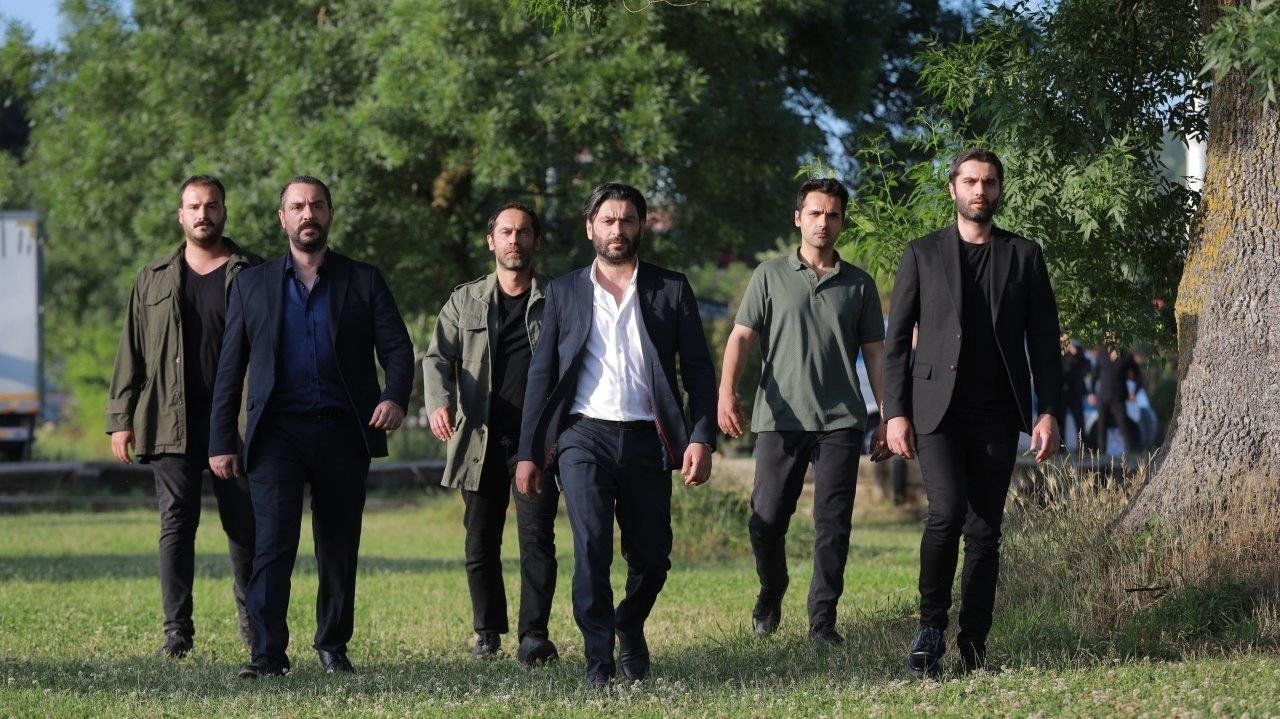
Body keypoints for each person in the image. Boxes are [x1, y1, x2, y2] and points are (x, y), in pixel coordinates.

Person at [208, 176, 414, 678]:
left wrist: (393, 396)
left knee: (338, 546)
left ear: (329, 215)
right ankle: (267, 654)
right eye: (298, 206)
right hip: (275, 435)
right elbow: (229, 368)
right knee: (272, 545)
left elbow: (398, 349)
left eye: (317, 206)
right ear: (282, 218)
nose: (308, 214)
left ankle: (332, 646)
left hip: (344, 430)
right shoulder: (251, 285)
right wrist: (221, 439)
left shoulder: (363, 280)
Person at [514, 182, 716, 687]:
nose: (617, 229)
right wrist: (529, 451)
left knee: (653, 556)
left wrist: (700, 435)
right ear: (591, 228)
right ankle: (599, 658)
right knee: (591, 547)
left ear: (640, 225)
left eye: (626, 220)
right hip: (583, 436)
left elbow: (697, 369)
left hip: (649, 437)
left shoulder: (670, 288)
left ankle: (630, 621)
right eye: (607, 220)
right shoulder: (564, 291)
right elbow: (541, 376)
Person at [883, 148, 1062, 676]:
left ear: (999, 189)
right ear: (953, 188)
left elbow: (1044, 342)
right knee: (945, 513)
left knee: (985, 530)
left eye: (988, 182)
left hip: (999, 412)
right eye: (969, 181)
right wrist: (895, 413)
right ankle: (930, 629)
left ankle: (974, 643)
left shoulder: (1024, 255)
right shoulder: (922, 253)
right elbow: (896, 342)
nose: (979, 190)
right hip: (935, 411)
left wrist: (1048, 411)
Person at [717, 178, 888, 645]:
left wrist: (887, 415)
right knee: (766, 520)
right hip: (781, 417)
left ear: (842, 222)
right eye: (815, 213)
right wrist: (726, 393)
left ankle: (822, 622)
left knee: (833, 525)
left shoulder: (859, 284)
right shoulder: (769, 275)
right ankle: (772, 589)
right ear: (798, 218)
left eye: (832, 215)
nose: (823, 223)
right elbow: (741, 337)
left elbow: (875, 354)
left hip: (841, 420)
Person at [106, 175, 260, 661]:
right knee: (176, 524)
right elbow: (130, 349)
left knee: (245, 528)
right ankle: (177, 633)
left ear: (223, 211)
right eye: (194, 206)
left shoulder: (253, 272)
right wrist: (120, 417)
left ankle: (255, 627)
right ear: (180, 215)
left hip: (236, 424)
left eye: (211, 205)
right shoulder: (152, 277)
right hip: (169, 420)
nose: (203, 214)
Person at [423, 201, 561, 667]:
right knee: (480, 541)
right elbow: (436, 357)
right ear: (491, 241)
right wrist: (438, 401)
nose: (514, 240)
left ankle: (534, 635)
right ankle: (487, 632)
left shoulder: (558, 299)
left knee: (537, 540)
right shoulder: (465, 300)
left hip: (536, 442)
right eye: (506, 232)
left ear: (536, 240)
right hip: (478, 441)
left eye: (523, 232)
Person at [1091, 341, 1144, 454]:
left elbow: (1138, 376)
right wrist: (1092, 393)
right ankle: (1101, 454)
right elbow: (1094, 376)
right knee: (1101, 426)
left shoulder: (1126, 356)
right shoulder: (1102, 355)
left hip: (1119, 398)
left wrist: (1134, 392)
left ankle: (1129, 453)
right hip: (1103, 397)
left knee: (1123, 425)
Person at [1061, 339, 1090, 448]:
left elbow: (1086, 366)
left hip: (1075, 393)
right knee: (1061, 422)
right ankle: (1060, 448)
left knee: (1079, 420)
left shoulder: (1077, 351)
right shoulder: (1060, 351)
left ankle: (1082, 447)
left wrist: (1076, 353)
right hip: (1062, 391)